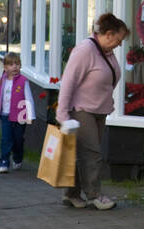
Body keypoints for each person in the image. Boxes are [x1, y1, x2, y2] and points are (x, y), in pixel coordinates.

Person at [55, 13, 129, 210]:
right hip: (82, 110)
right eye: (119, 40)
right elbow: (68, 82)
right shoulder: (85, 50)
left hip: (98, 110)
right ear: (108, 34)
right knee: (92, 153)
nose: (119, 45)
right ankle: (95, 195)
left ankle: (71, 193)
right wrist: (62, 115)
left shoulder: (107, 52)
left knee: (82, 153)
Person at [0, 52, 34, 174]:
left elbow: (28, 98)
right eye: (11, 64)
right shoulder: (2, 81)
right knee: (6, 139)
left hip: (20, 116)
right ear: (5, 67)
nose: (15, 67)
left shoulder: (23, 81)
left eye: (17, 64)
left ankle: (17, 158)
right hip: (5, 115)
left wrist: (31, 115)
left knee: (18, 140)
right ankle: (4, 162)